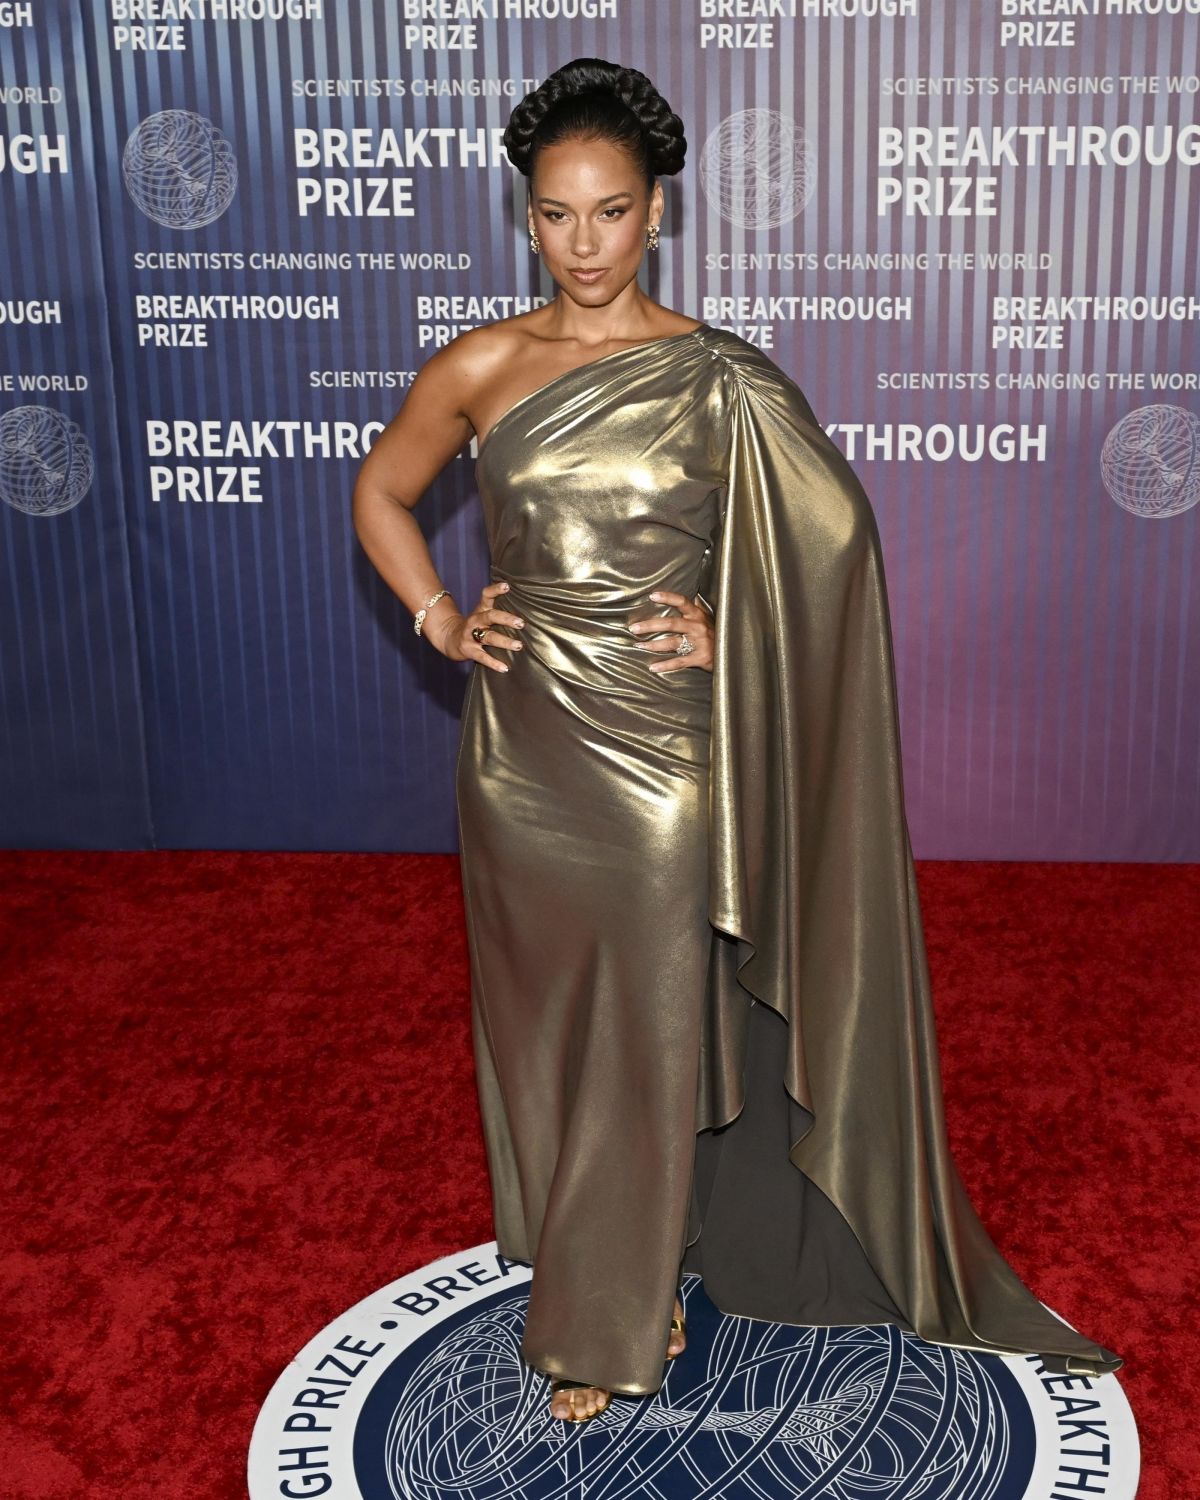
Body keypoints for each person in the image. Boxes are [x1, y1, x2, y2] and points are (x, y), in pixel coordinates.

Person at [351, 57, 1123, 1426]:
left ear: (658, 212)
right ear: (526, 217)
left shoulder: (720, 377)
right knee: (552, 1023)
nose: (581, 242)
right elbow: (384, 485)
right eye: (553, 213)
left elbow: (831, 548)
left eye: (609, 211)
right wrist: (434, 613)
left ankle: (614, 1305)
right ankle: (625, 1240)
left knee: (648, 1019)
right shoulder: (482, 363)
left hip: (663, 761)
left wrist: (737, 632)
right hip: (523, 755)